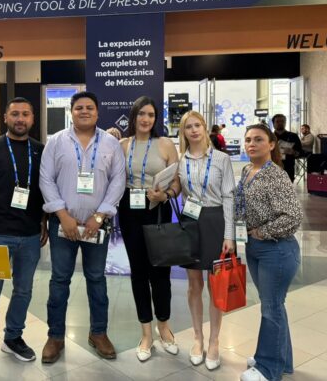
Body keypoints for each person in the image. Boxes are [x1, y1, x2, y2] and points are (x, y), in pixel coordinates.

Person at [39, 91, 126, 364]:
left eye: (89, 107)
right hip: (63, 225)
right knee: (59, 280)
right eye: (79, 108)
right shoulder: (56, 141)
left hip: (95, 226)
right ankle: (55, 336)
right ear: (71, 112)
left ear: (97, 112)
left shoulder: (111, 144)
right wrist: (62, 214)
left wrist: (100, 215)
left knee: (96, 279)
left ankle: (98, 333)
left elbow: (118, 181)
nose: (84, 111)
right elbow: (46, 179)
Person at [0, 97, 48, 381]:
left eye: (25, 114)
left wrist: (43, 222)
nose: (20, 119)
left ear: (32, 118)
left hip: (30, 236)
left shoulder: (40, 150)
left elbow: (44, 191)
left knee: (23, 291)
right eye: (15, 114)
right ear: (5, 117)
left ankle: (13, 337)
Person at [236, 124, 302, 381]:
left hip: (277, 250)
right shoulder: (247, 171)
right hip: (255, 248)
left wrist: (262, 232)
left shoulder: (275, 175)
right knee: (274, 305)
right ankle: (282, 360)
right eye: (248, 140)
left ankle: (267, 368)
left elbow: (293, 217)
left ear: (271, 144)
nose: (251, 144)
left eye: (258, 139)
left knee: (271, 307)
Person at [118, 96, 181, 362]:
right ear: (133, 116)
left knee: (161, 272)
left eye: (151, 115)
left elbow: (177, 182)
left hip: (158, 210)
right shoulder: (122, 145)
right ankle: (146, 333)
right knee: (139, 273)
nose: (146, 119)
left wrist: (166, 195)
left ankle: (164, 326)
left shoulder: (165, 144)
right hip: (129, 212)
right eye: (141, 114)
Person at [176, 110, 235, 371]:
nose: (194, 130)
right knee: (194, 285)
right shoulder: (180, 160)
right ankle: (198, 338)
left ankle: (214, 341)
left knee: (216, 284)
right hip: (191, 221)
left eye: (197, 125)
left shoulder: (221, 159)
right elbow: (174, 189)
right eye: (188, 126)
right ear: (183, 132)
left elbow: (229, 197)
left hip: (215, 220)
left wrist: (229, 234)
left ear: (204, 127)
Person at [272, 114, 302, 182]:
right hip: (272, 168)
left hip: (288, 168)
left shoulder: (293, 136)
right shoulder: (268, 137)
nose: (280, 123)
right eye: (277, 121)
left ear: (285, 123)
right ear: (273, 124)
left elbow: (300, 153)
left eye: (282, 121)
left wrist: (293, 152)